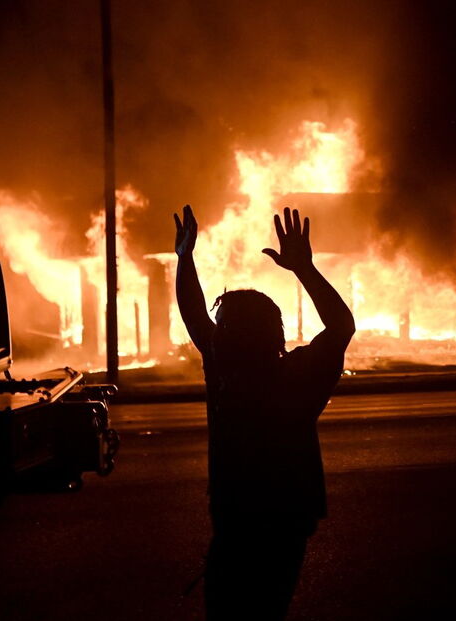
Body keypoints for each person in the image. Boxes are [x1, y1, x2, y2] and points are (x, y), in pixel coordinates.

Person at [173, 205, 354, 620]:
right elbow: (342, 327)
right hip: (277, 522)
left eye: (228, 325)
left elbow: (195, 317)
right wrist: (304, 270)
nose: (218, 332)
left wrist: (185, 259)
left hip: (258, 525)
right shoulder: (295, 372)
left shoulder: (228, 370)